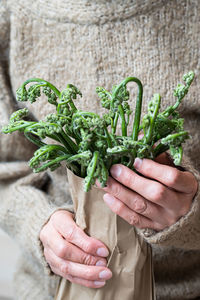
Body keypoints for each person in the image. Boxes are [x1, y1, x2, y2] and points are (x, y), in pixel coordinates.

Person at [0, 0, 199, 299]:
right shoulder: (14, 11)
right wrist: (38, 222)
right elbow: (7, 171)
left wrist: (191, 215)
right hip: (51, 291)